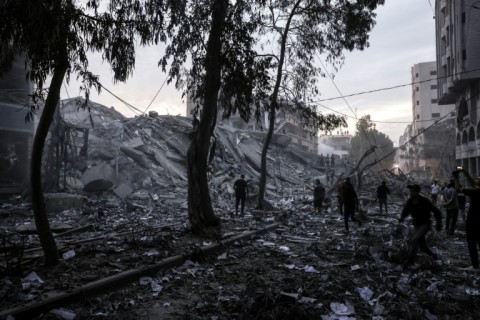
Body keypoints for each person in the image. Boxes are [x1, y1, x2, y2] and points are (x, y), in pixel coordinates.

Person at [399, 184, 442, 267]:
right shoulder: (410, 202)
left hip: (425, 224)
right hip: (416, 225)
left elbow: (436, 211)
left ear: (418, 192)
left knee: (414, 240)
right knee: (422, 246)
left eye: (413, 191)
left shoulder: (424, 201)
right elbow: (405, 211)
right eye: (410, 191)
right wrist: (402, 218)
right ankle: (433, 256)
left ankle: (410, 260)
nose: (411, 193)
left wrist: (438, 224)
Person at [452, 168, 480, 271]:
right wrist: (465, 172)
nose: (476, 179)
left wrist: (455, 177)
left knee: (471, 243)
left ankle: (475, 266)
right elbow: (473, 183)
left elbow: (458, 188)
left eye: (478, 179)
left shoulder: (475, 192)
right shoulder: (477, 190)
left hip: (473, 221)